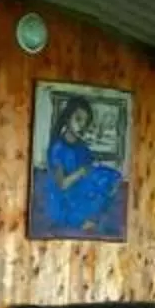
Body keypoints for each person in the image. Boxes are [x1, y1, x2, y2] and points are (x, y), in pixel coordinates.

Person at [34, 98, 123, 235]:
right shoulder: (58, 148)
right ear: (67, 118)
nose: (82, 126)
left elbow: (89, 169)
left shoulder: (82, 147)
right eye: (78, 119)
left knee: (112, 177)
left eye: (85, 122)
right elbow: (62, 184)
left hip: (79, 187)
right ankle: (81, 219)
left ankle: (92, 215)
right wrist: (81, 172)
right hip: (63, 195)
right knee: (84, 199)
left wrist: (91, 172)